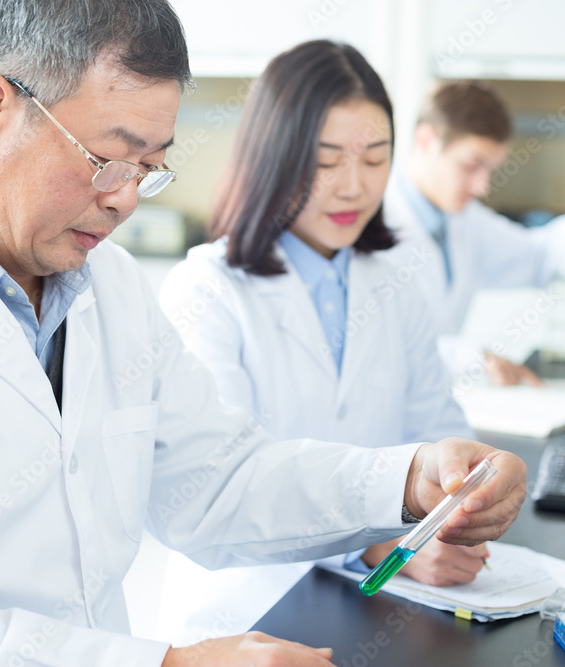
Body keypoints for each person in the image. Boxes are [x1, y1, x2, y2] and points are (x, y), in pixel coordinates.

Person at [0, 2, 527, 666]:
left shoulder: (112, 289)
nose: (125, 198)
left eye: (149, 167)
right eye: (106, 160)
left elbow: (218, 481)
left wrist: (404, 477)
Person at [155, 40, 491, 640]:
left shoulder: (398, 284)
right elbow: (223, 491)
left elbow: (437, 428)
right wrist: (374, 543)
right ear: (274, 157)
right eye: (327, 159)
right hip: (242, 614)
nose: (354, 187)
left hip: (383, 607)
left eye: (374, 158)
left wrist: (454, 513)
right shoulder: (206, 291)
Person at [383, 80, 565, 386]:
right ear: (426, 141)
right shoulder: (372, 221)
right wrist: (473, 357)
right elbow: (384, 348)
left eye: (491, 170)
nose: (483, 186)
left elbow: (537, 256)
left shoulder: (465, 221)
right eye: (472, 165)